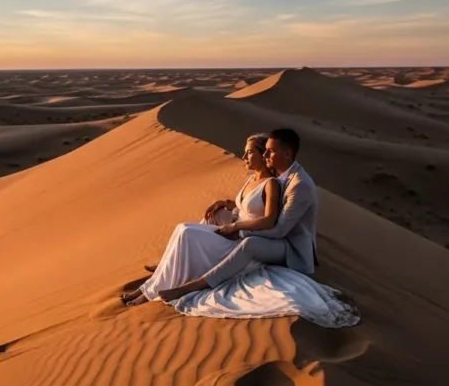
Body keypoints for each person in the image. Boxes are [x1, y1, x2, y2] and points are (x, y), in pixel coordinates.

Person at [120, 133, 281, 307]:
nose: (244, 157)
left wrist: (235, 226)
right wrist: (224, 203)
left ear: (263, 154)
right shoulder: (252, 179)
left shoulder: (271, 184)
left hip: (238, 244)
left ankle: (149, 292)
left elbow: (269, 220)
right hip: (231, 232)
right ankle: (151, 283)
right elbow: (246, 206)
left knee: (187, 233)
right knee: (183, 228)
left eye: (249, 152)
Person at [157, 128, 318, 301]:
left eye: (270, 151)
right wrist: (228, 205)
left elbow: (279, 230)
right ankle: (179, 258)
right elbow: (260, 202)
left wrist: (238, 230)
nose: (265, 156)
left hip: (288, 246)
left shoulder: (299, 185)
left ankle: (195, 285)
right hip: (270, 232)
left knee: (249, 243)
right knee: (216, 215)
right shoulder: (279, 174)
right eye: (265, 151)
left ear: (287, 154)